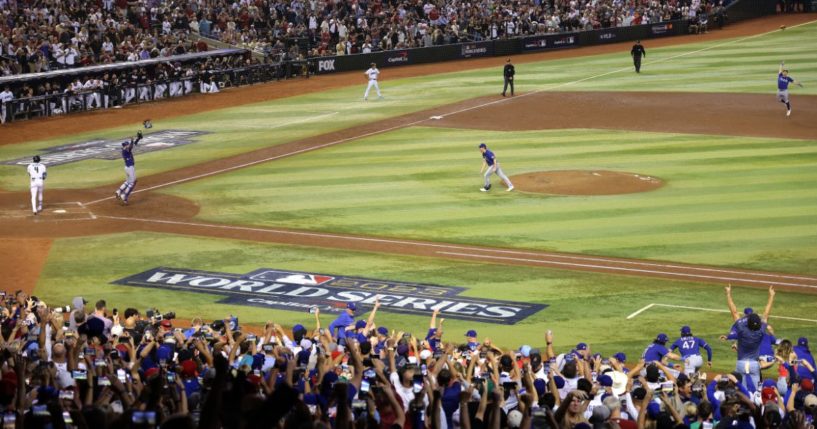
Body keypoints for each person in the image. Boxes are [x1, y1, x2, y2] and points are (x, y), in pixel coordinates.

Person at [721, 313, 765, 392]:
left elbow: (734, 313)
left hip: (741, 363)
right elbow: (766, 315)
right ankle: (757, 401)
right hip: (754, 364)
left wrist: (728, 337)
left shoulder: (742, 330)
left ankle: (744, 400)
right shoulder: (760, 332)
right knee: (758, 390)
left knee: (741, 388)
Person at [114, 131, 143, 205]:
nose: (128, 145)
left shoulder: (125, 150)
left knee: (128, 181)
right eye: (127, 145)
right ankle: (124, 196)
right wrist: (132, 140)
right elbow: (131, 146)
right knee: (133, 182)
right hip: (130, 168)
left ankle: (119, 191)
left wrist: (138, 139)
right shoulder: (125, 150)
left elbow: (133, 145)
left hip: (127, 168)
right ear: (124, 146)